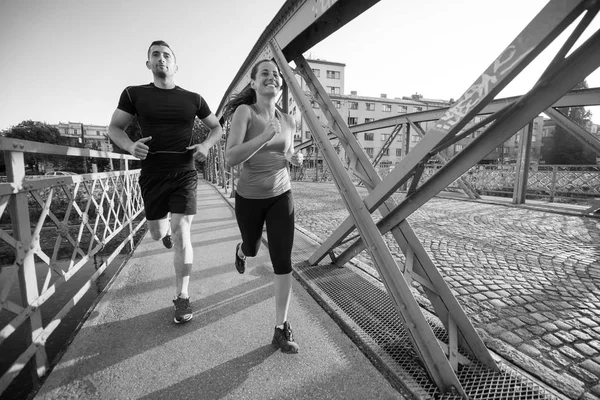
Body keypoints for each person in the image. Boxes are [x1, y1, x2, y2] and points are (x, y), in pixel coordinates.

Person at [107, 40, 223, 324]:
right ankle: (164, 233)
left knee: (183, 232)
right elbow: (114, 128)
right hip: (153, 174)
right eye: (155, 55)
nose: (161, 59)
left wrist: (206, 146)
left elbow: (217, 127)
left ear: (175, 65)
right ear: (149, 64)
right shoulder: (134, 94)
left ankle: (182, 297)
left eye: (166, 55)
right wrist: (130, 146)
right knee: (158, 233)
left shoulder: (193, 99)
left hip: (184, 172)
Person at [224, 59, 304, 353]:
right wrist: (264, 136)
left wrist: (293, 160)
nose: (272, 77)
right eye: (265, 74)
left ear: (280, 84)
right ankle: (241, 250)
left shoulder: (289, 120)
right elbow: (231, 157)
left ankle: (281, 328)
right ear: (254, 83)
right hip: (249, 197)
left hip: (281, 194)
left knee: (283, 262)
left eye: (276, 74)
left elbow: (288, 153)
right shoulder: (246, 112)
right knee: (254, 248)